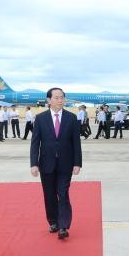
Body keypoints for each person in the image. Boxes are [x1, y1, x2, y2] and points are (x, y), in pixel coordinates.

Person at [30, 87, 82, 240]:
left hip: (66, 163)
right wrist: (34, 163)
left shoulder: (71, 118)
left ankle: (63, 226)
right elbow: (35, 143)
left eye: (62, 97)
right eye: (57, 97)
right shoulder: (40, 118)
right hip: (46, 163)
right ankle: (53, 221)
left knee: (63, 193)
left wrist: (77, 163)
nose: (60, 100)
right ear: (49, 100)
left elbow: (76, 143)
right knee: (50, 194)